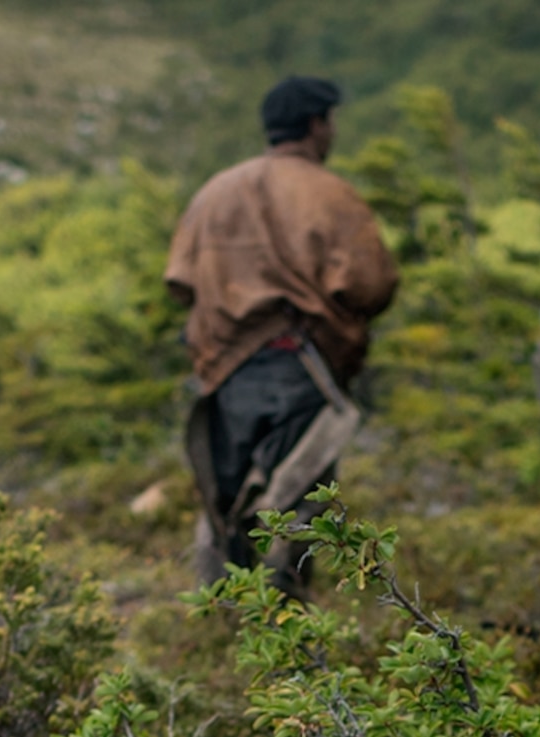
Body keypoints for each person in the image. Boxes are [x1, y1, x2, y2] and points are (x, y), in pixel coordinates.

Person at [164, 74, 400, 592]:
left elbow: (181, 282)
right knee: (297, 497)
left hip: (225, 368)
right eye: (330, 122)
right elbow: (372, 284)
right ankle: (288, 626)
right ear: (317, 126)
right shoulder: (330, 193)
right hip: (301, 365)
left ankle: (227, 617)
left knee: (227, 498)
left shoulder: (215, 191)